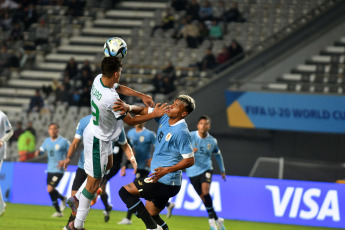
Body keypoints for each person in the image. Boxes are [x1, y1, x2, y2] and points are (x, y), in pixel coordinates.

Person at [67, 56, 168, 230]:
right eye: (120, 72)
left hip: (100, 133)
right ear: (116, 73)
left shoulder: (98, 80)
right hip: (99, 139)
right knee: (93, 184)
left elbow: (118, 87)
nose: (120, 75)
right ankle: (77, 224)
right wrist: (154, 114)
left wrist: (140, 95)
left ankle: (81, 200)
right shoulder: (111, 99)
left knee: (109, 167)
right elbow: (130, 121)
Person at [117, 94, 196, 230]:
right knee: (151, 214)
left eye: (176, 106)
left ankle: (152, 228)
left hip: (165, 181)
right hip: (160, 179)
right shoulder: (165, 116)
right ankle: (156, 227)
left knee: (124, 192)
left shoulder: (181, 132)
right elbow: (143, 110)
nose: (171, 106)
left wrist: (166, 170)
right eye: (173, 103)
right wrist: (128, 107)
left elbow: (190, 160)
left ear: (183, 113)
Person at [60, 115, 134, 229]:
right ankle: (75, 225)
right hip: (83, 165)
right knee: (74, 202)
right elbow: (75, 142)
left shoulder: (116, 124)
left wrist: (130, 161)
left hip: (99, 167)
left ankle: (70, 227)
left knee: (82, 201)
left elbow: (125, 145)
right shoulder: (85, 121)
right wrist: (69, 158)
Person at [185, 115, 226, 230]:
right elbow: (180, 150)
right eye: (201, 123)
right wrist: (189, 151)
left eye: (206, 123)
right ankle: (219, 220)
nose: (203, 125)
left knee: (205, 191)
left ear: (209, 126)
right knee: (203, 198)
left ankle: (211, 220)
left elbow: (218, 155)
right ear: (198, 125)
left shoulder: (212, 141)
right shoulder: (190, 136)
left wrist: (222, 170)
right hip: (192, 172)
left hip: (206, 169)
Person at [118, 121, 156, 225]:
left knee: (132, 192)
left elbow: (158, 147)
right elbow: (130, 150)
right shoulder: (130, 133)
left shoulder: (150, 134)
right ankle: (167, 204)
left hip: (144, 167)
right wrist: (125, 166)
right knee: (141, 191)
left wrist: (152, 158)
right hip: (136, 167)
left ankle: (128, 219)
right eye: (137, 119)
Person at [34, 123, 70, 217]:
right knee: (50, 190)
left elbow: (71, 152)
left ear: (58, 130)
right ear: (48, 130)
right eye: (50, 129)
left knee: (50, 189)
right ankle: (59, 210)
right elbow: (42, 151)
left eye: (54, 129)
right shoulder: (46, 141)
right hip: (49, 169)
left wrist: (64, 161)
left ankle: (62, 201)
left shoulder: (64, 141)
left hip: (59, 170)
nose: (52, 131)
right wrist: (39, 152)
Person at [0, 110, 13, 216]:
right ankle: (2, 204)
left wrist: (2, 140)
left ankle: (1, 205)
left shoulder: (2, 116)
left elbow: (10, 131)